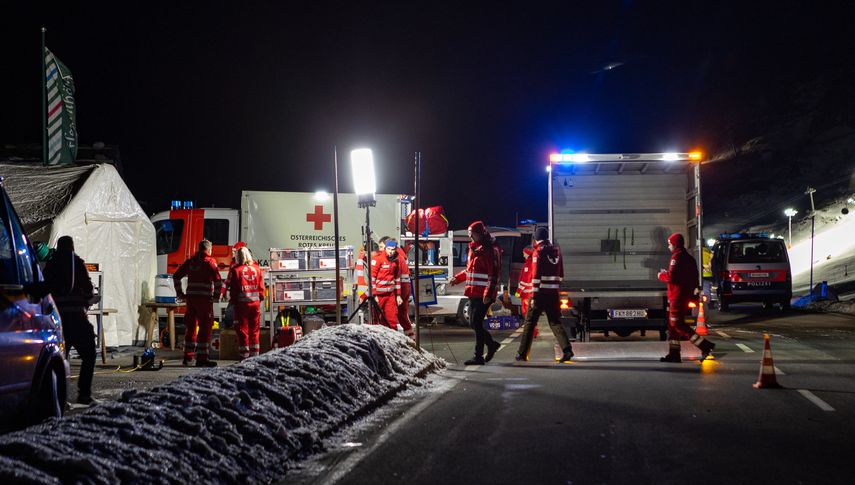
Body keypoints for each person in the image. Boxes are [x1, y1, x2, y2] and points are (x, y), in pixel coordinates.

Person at [43, 236, 97, 405]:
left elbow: (44, 288)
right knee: (89, 354)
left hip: (56, 320)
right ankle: (84, 394)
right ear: (72, 247)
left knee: (59, 359)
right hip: (76, 317)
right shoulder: (77, 263)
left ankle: (59, 398)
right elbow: (88, 289)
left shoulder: (51, 264)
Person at [515, 227, 574, 362]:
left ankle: (522, 353)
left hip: (540, 293)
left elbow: (536, 275)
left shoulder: (538, 252)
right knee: (555, 322)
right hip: (553, 293)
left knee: (530, 323)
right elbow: (561, 274)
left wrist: (534, 296)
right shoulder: (557, 251)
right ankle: (567, 350)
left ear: (536, 238)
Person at [658, 233, 715, 362]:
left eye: (669, 244)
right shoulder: (689, 258)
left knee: (677, 324)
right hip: (683, 296)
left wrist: (661, 275)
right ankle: (674, 354)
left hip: (677, 297)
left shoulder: (676, 257)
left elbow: (672, 277)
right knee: (672, 327)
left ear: (674, 244)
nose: (668, 246)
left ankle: (705, 346)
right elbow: (694, 277)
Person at [450, 221, 501, 365]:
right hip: (474, 292)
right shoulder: (475, 248)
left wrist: (488, 294)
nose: (470, 237)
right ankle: (491, 345)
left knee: (476, 322)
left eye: (472, 234)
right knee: (474, 323)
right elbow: (470, 270)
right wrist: (458, 278)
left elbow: (494, 274)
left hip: (483, 294)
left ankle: (479, 356)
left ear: (479, 234)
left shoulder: (490, 250)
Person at [173, 239, 223, 367]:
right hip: (204, 300)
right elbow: (218, 281)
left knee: (190, 328)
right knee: (205, 328)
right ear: (209, 249)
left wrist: (180, 293)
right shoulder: (210, 262)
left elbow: (176, 276)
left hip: (191, 300)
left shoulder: (191, 262)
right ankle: (202, 358)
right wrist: (216, 297)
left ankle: (188, 357)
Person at [225, 247, 265, 360]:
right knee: (255, 330)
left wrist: (233, 302)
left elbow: (234, 290)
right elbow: (261, 288)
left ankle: (244, 356)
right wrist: (259, 299)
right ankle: (255, 356)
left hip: (241, 306)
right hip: (255, 305)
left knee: (243, 330)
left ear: (238, 257)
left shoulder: (236, 270)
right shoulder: (257, 269)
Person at [380, 236, 415, 340]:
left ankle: (392, 339)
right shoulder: (400, 254)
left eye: (382, 247)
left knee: (390, 315)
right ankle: (411, 337)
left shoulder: (395, 257)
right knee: (402, 314)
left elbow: (394, 276)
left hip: (399, 287)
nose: (381, 250)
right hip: (405, 285)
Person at [370, 238, 402, 330]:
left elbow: (397, 278)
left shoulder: (396, 260)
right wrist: (374, 295)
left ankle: (393, 337)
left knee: (392, 319)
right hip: (379, 295)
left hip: (390, 295)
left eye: (393, 249)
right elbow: (372, 278)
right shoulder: (378, 259)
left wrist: (398, 295)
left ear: (395, 249)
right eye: (388, 249)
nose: (390, 252)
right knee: (375, 319)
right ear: (385, 248)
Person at [514, 246, 537, 338]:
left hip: (526, 294)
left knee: (527, 314)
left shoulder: (528, 264)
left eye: (524, 253)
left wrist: (518, 291)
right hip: (530, 293)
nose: (523, 255)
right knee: (530, 314)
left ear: (527, 253)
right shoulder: (532, 263)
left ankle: (531, 333)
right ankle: (532, 332)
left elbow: (525, 280)